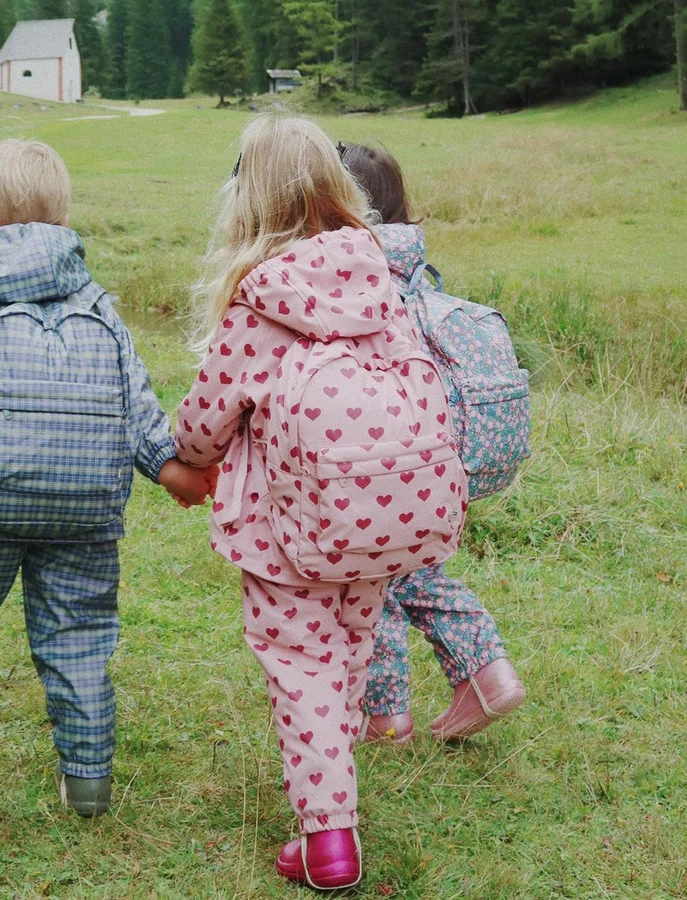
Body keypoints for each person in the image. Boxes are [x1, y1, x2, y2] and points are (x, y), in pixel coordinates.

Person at [174, 116, 466, 890]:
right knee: (348, 650)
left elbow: (203, 427)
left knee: (301, 665)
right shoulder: (377, 281)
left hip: (285, 531)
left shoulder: (261, 303)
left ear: (249, 200)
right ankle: (331, 783)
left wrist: (187, 463)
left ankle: (328, 837)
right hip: (380, 519)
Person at [0, 139, 216, 816]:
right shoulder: (98, 305)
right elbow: (135, 403)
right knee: (77, 634)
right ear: (64, 220)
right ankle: (88, 782)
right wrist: (169, 467)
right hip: (84, 514)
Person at [342, 143, 526, 744]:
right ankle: (477, 678)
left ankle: (391, 712)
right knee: (411, 573)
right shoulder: (411, 269)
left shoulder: (351, 271)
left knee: (371, 579)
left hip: (383, 461)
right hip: (444, 461)